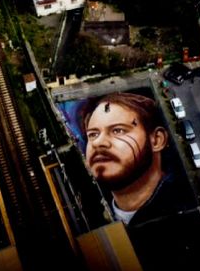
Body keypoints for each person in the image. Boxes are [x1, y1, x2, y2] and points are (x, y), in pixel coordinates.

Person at [80, 92, 189, 227]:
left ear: (156, 140)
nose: (98, 142)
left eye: (118, 130)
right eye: (93, 134)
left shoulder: (184, 215)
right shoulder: (87, 215)